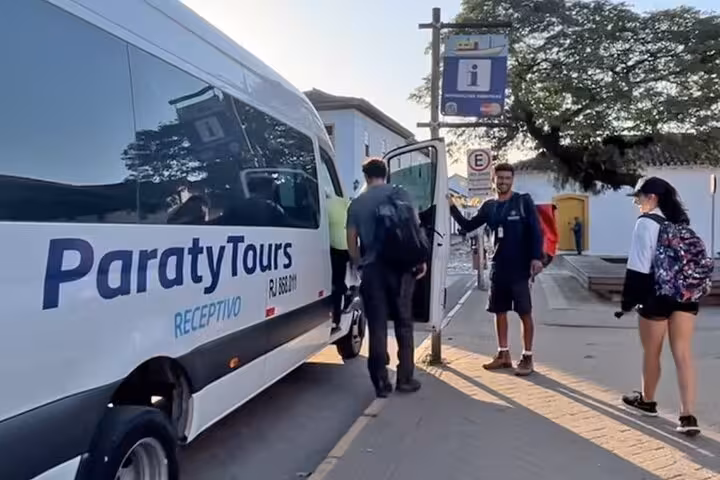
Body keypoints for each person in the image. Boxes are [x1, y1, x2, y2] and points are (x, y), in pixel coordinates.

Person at [618, 176, 702, 436]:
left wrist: (628, 301)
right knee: (683, 354)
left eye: (638, 197)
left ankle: (647, 400)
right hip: (686, 296)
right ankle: (687, 416)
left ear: (651, 197)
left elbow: (639, 267)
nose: (636, 202)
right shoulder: (680, 224)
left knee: (652, 352)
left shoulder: (646, 222)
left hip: (657, 295)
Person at [447, 162, 544, 376]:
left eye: (507, 178)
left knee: (524, 312)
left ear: (512, 180)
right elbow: (468, 226)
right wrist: (452, 207)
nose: (503, 182)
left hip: (520, 268)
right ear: (494, 179)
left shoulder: (522, 201)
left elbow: (536, 230)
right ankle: (503, 355)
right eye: (500, 178)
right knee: (499, 311)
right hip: (498, 267)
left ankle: (527, 357)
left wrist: (536, 258)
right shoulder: (489, 207)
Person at [346, 157, 426, 398]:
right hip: (402, 268)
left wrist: (359, 262)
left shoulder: (357, 204)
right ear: (386, 173)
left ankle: (381, 383)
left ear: (365, 176)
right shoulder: (401, 194)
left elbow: (351, 240)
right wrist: (419, 260)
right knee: (404, 322)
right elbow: (415, 227)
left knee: (378, 324)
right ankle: (405, 378)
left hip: (373, 270)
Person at [326, 189, 351, 328]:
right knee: (337, 280)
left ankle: (346, 293)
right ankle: (336, 319)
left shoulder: (325, 206)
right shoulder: (343, 202)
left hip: (335, 248)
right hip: (346, 247)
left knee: (335, 283)